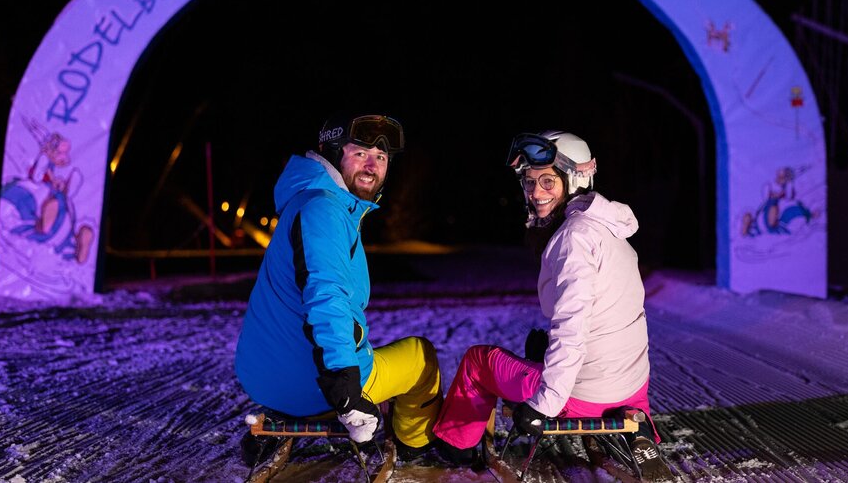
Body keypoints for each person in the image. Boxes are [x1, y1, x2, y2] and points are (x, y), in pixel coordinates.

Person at [432, 131, 671, 480]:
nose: (536, 193)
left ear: (574, 180)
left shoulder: (574, 238)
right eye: (529, 182)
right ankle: (638, 426)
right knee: (544, 348)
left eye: (547, 181)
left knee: (477, 361)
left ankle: (455, 446)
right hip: (630, 389)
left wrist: (543, 405)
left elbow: (572, 327)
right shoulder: (607, 228)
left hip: (583, 394)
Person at [234, 114, 442, 458]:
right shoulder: (325, 209)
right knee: (422, 358)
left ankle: (290, 416)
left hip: (262, 380)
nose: (371, 166)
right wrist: (345, 385)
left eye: (381, 158)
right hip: (313, 384)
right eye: (360, 153)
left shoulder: (306, 201)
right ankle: (414, 448)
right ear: (332, 153)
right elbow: (326, 296)